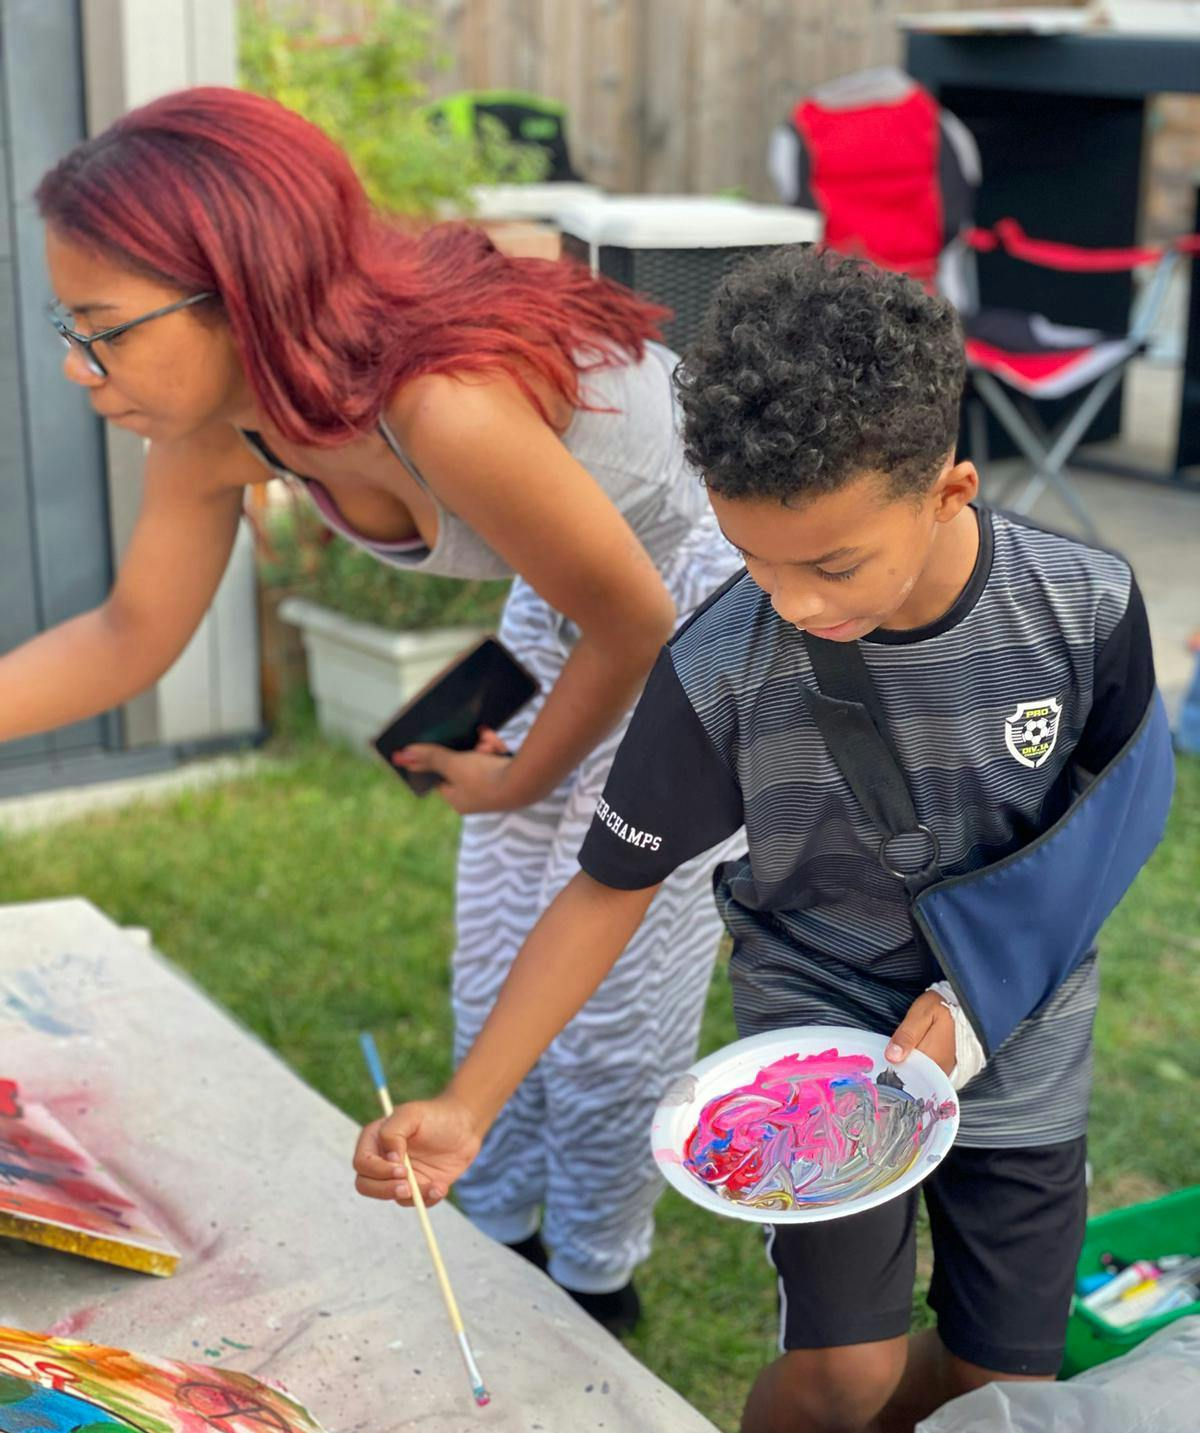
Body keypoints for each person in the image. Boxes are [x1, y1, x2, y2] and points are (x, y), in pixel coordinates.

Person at [353, 247, 1164, 1433]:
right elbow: (606, 886)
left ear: (951, 490)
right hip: (819, 1029)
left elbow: (1121, 811)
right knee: (843, 1372)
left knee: (1008, 1387)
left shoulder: (1086, 607)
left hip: (1024, 1030)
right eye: (755, 559)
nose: (790, 603)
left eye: (831, 566)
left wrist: (979, 1005)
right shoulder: (720, 658)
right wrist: (469, 1102)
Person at [10, 86, 740, 1332]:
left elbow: (638, 624)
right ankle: (497, 1225)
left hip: (708, 596)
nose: (81, 368)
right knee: (505, 945)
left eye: (104, 330)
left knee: (619, 975)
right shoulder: (215, 428)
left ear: (239, 296)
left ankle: (596, 1280)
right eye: (68, 324)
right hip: (576, 595)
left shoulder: (443, 411)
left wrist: (520, 777)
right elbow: (131, 636)